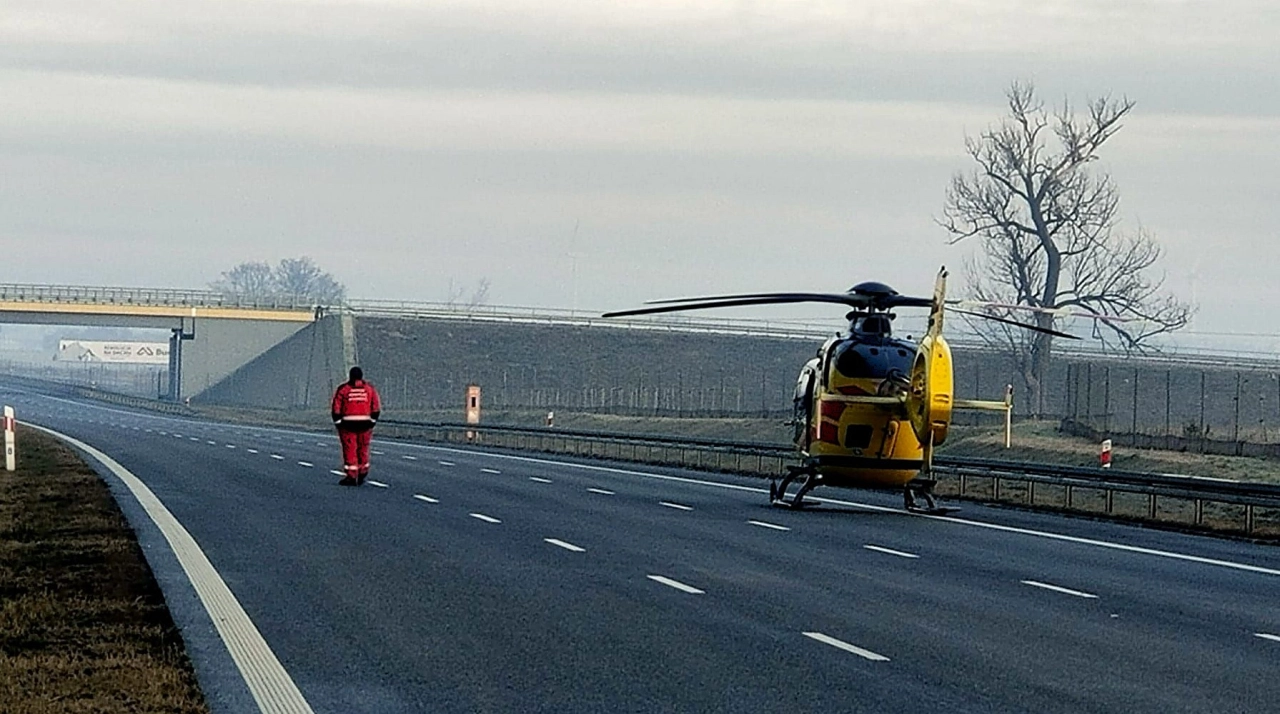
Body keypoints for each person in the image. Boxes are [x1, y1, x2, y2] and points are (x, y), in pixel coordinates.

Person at [331, 366, 382, 486]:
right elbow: (376, 408)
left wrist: (339, 424)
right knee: (363, 448)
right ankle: (363, 471)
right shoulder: (370, 389)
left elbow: (336, 408)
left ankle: (352, 475)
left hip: (348, 425)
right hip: (365, 424)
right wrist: (372, 422)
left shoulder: (343, 389)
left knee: (350, 449)